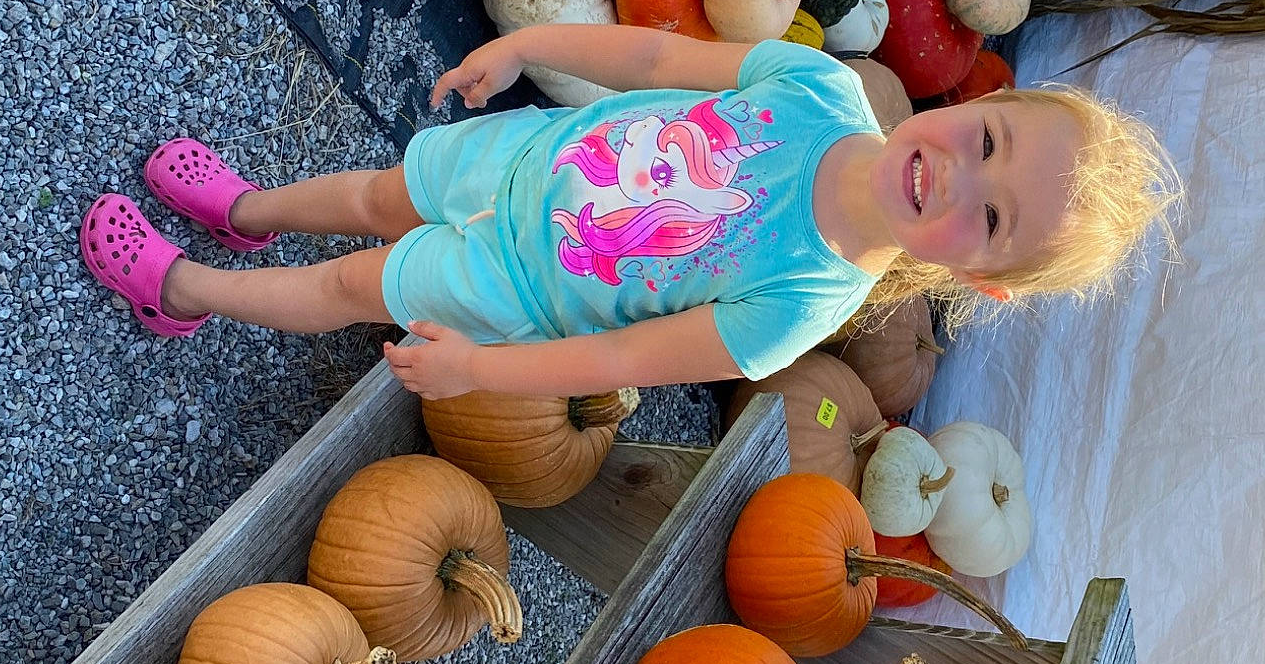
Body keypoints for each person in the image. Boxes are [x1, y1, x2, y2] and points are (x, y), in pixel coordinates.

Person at [78, 24, 1178, 399]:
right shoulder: (819, 89)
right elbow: (655, 56)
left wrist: (478, 373)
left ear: (974, 279)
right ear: (979, 102)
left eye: (988, 220)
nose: (956, 177)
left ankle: (190, 291)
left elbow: (620, 364)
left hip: (514, 286)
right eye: (984, 144)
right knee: (376, 190)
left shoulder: (795, 304)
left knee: (353, 283)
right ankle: (251, 210)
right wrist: (530, 46)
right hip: (523, 156)